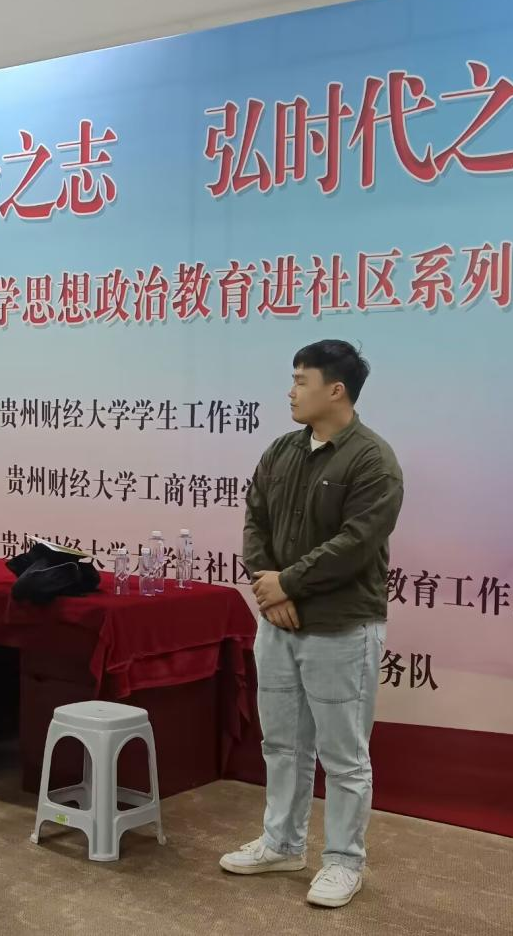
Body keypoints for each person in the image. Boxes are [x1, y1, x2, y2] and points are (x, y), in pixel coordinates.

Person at [220, 340, 404, 908]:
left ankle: (344, 861)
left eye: (302, 381)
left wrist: (289, 584)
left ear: (336, 390)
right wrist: (268, 587)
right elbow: (255, 518)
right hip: (279, 624)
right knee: (282, 743)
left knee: (344, 756)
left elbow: (355, 544)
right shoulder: (282, 450)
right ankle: (282, 844)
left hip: (340, 627)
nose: (291, 391)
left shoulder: (372, 461)